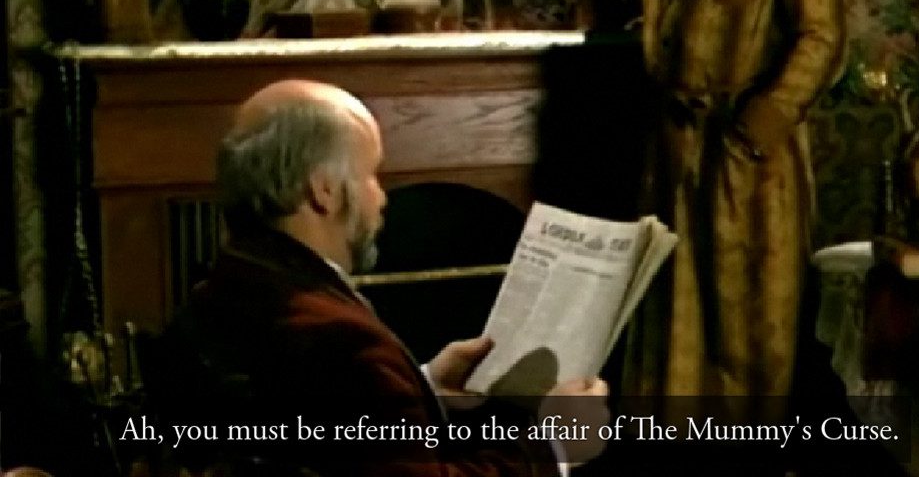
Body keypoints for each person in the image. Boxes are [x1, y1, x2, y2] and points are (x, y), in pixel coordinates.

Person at [153, 79, 607, 476]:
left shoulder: (221, 291)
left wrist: (424, 385)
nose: (382, 197)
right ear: (324, 191)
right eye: (371, 175)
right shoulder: (339, 343)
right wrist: (553, 448)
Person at [576, 0, 845, 404]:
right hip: (670, 162)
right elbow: (624, 0)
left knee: (748, 342)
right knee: (671, 341)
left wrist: (757, 130)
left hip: (750, 166)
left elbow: (822, 34)